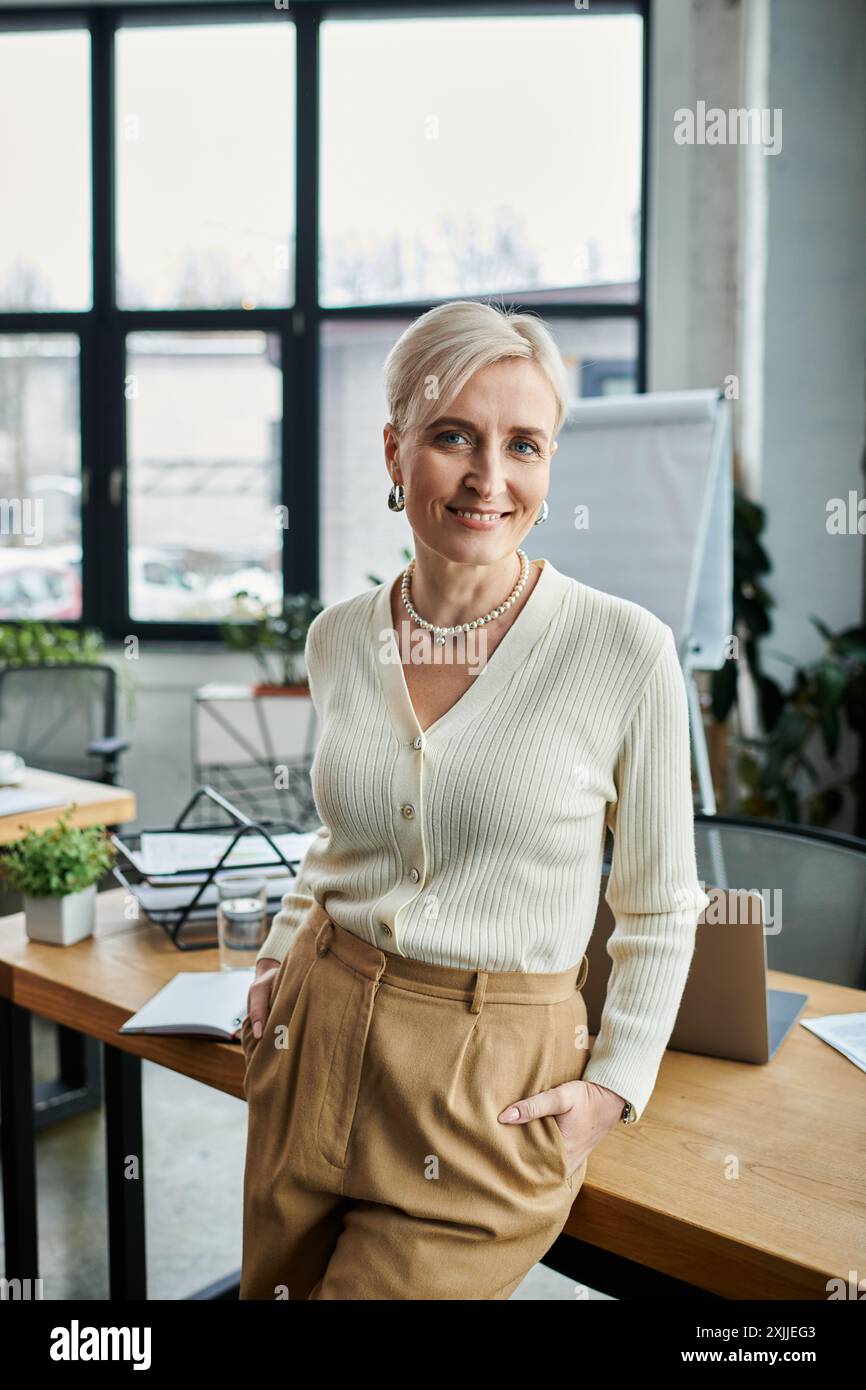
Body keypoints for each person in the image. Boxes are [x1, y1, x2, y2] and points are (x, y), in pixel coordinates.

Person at [238, 298, 710, 1301]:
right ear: (393, 450)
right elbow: (338, 841)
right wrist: (280, 960)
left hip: (488, 1081)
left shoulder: (624, 651)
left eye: (523, 444)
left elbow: (661, 901)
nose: (487, 477)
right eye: (452, 434)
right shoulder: (336, 638)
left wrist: (616, 1083)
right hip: (313, 1032)